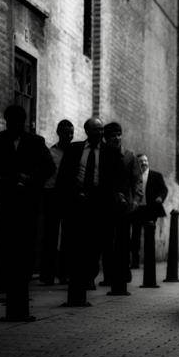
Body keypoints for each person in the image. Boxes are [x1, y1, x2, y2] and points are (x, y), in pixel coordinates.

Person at [0, 105, 55, 321]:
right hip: (6, 202)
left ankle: (20, 302)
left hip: (28, 203)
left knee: (26, 249)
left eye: (18, 121)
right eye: (11, 121)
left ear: (23, 122)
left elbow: (49, 167)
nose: (14, 125)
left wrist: (31, 180)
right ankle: (12, 300)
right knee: (8, 247)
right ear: (7, 122)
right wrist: (0, 180)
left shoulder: (36, 142)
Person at [56, 117, 115, 301]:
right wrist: (68, 197)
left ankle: (89, 276)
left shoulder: (109, 152)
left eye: (101, 130)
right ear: (87, 131)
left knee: (94, 242)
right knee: (75, 241)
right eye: (95, 130)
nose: (99, 133)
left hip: (99, 202)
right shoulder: (75, 149)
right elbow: (64, 175)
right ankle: (77, 277)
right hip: (76, 200)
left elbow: (116, 178)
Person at [101, 122, 142, 294]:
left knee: (124, 242)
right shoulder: (102, 155)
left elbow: (137, 180)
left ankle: (123, 274)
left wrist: (136, 201)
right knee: (106, 242)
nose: (117, 138)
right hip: (106, 206)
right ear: (106, 138)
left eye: (119, 134)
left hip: (126, 207)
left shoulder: (129, 156)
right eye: (113, 135)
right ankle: (108, 275)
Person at [39, 119, 74, 285]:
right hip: (52, 195)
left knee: (68, 236)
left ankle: (65, 273)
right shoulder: (51, 152)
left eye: (71, 133)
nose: (69, 136)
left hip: (69, 196)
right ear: (59, 133)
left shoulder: (75, 153)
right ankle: (48, 274)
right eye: (66, 133)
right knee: (50, 235)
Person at [130, 153, 168, 269]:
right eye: (141, 161)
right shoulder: (133, 176)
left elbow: (163, 189)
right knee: (135, 237)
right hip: (136, 210)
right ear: (137, 163)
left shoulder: (156, 175)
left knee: (149, 236)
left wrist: (160, 198)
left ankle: (148, 261)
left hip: (150, 210)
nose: (144, 163)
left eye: (146, 160)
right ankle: (135, 262)